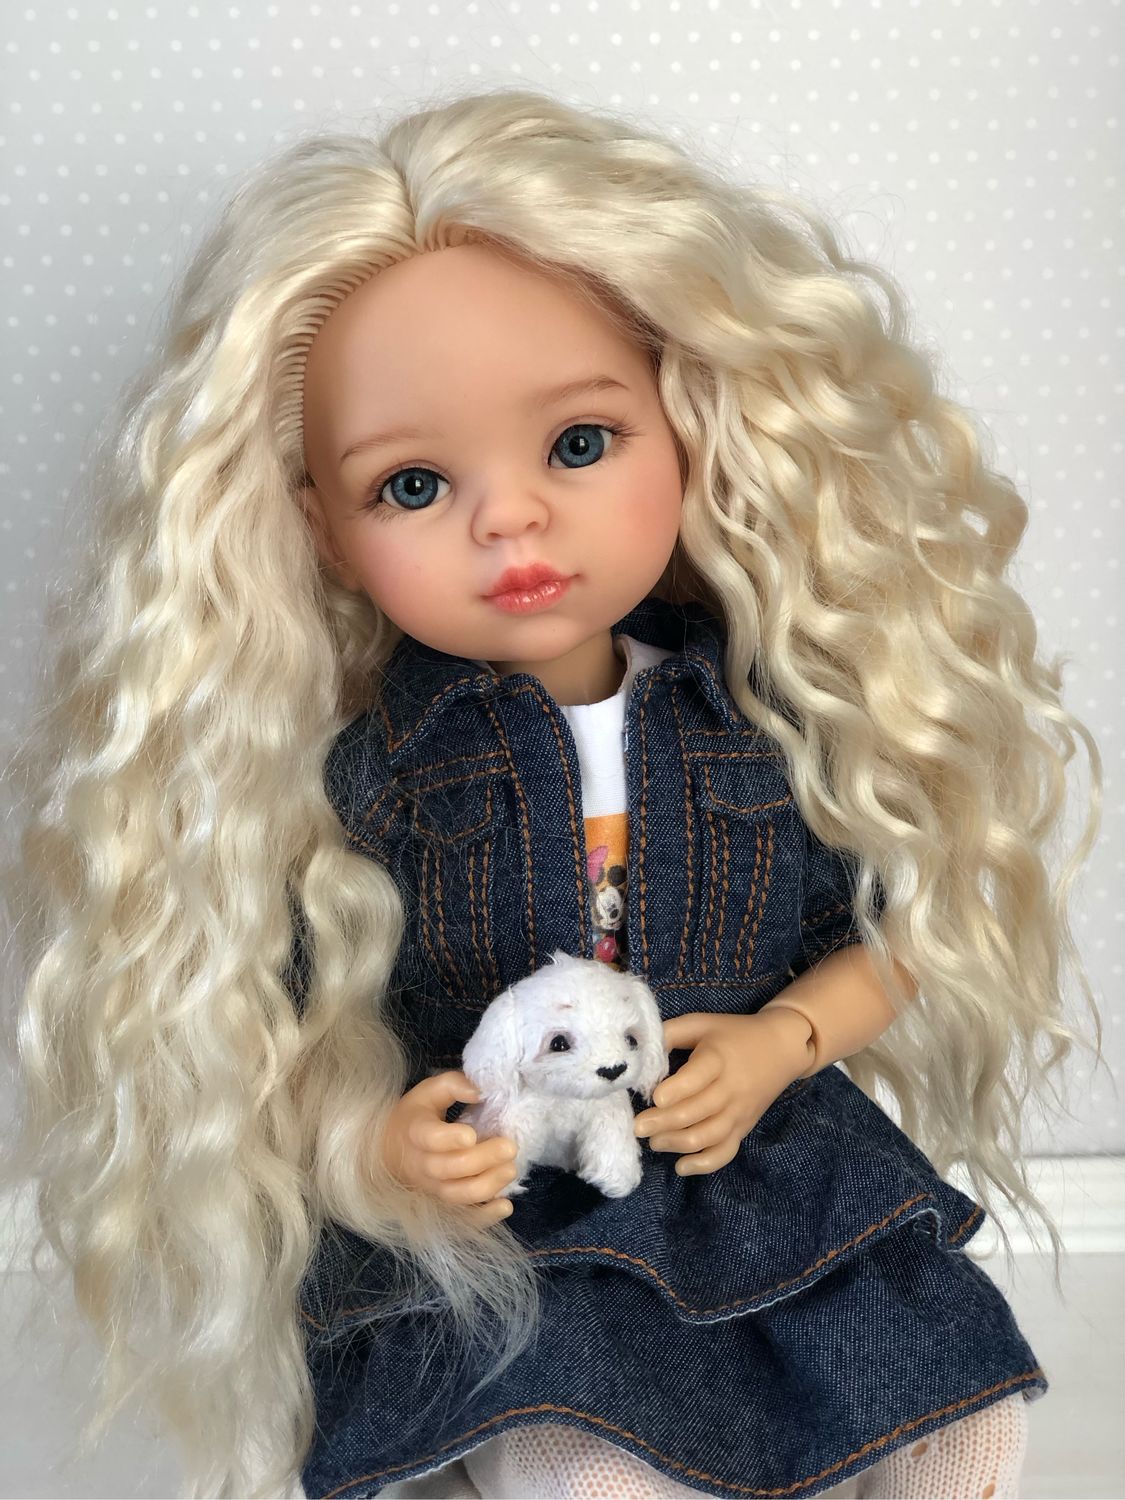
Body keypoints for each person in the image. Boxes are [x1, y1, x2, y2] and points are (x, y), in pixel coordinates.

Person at [0, 88, 1104, 1500]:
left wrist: (778, 1045)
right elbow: (269, 1024)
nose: (508, 518)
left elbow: (899, 934)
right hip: (522, 1215)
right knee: (587, 1457)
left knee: (963, 1428)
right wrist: (376, 1147)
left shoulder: (760, 725)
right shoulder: (372, 775)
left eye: (579, 444)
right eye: (411, 485)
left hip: (761, 1170)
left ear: (690, 426)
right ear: (319, 531)